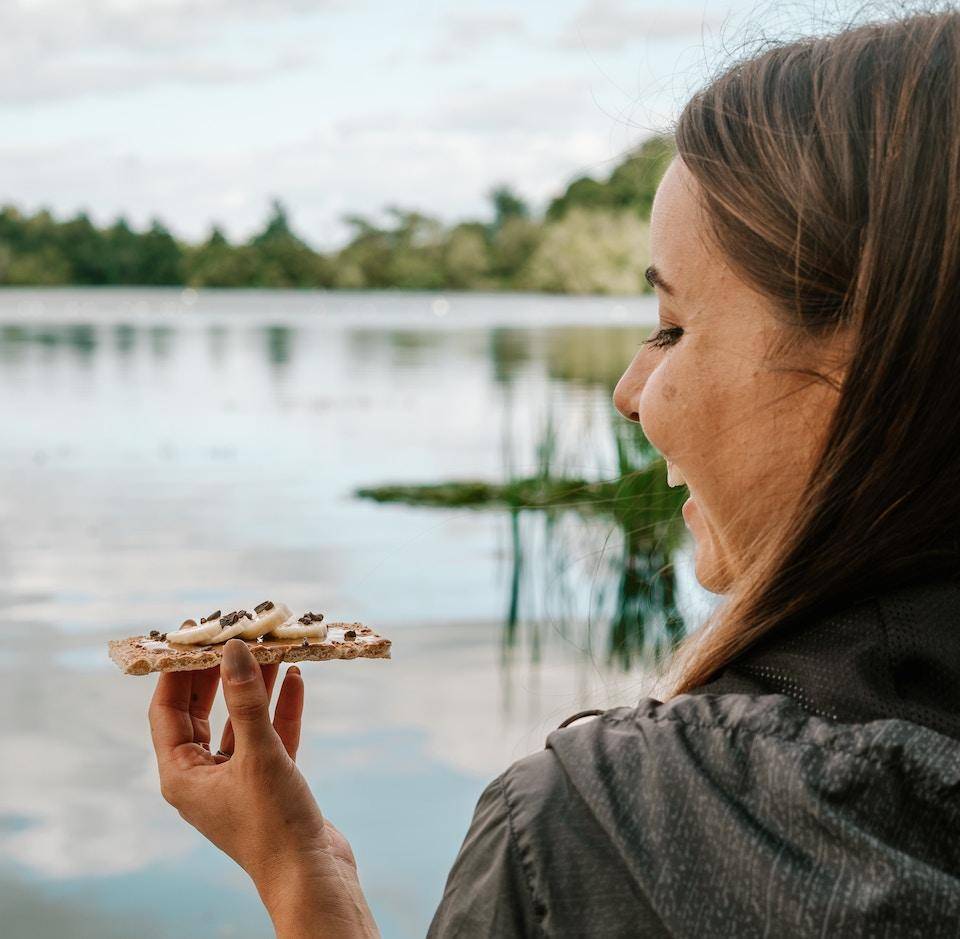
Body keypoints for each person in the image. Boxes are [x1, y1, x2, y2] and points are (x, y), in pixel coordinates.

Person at [148, 9, 960, 937]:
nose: (630, 392)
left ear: (882, 357)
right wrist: (309, 864)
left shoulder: (597, 832)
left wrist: (296, 882)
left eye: (674, 326)